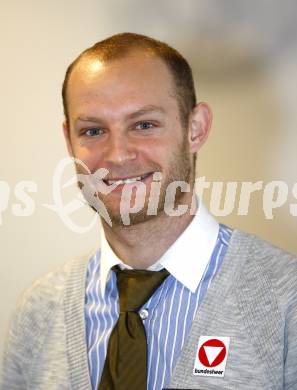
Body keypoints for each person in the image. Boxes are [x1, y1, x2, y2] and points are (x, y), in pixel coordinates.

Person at [2, 32, 297, 390]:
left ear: (196, 128)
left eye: (143, 125)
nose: (118, 155)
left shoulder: (286, 302)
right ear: (69, 141)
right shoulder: (39, 310)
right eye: (93, 130)